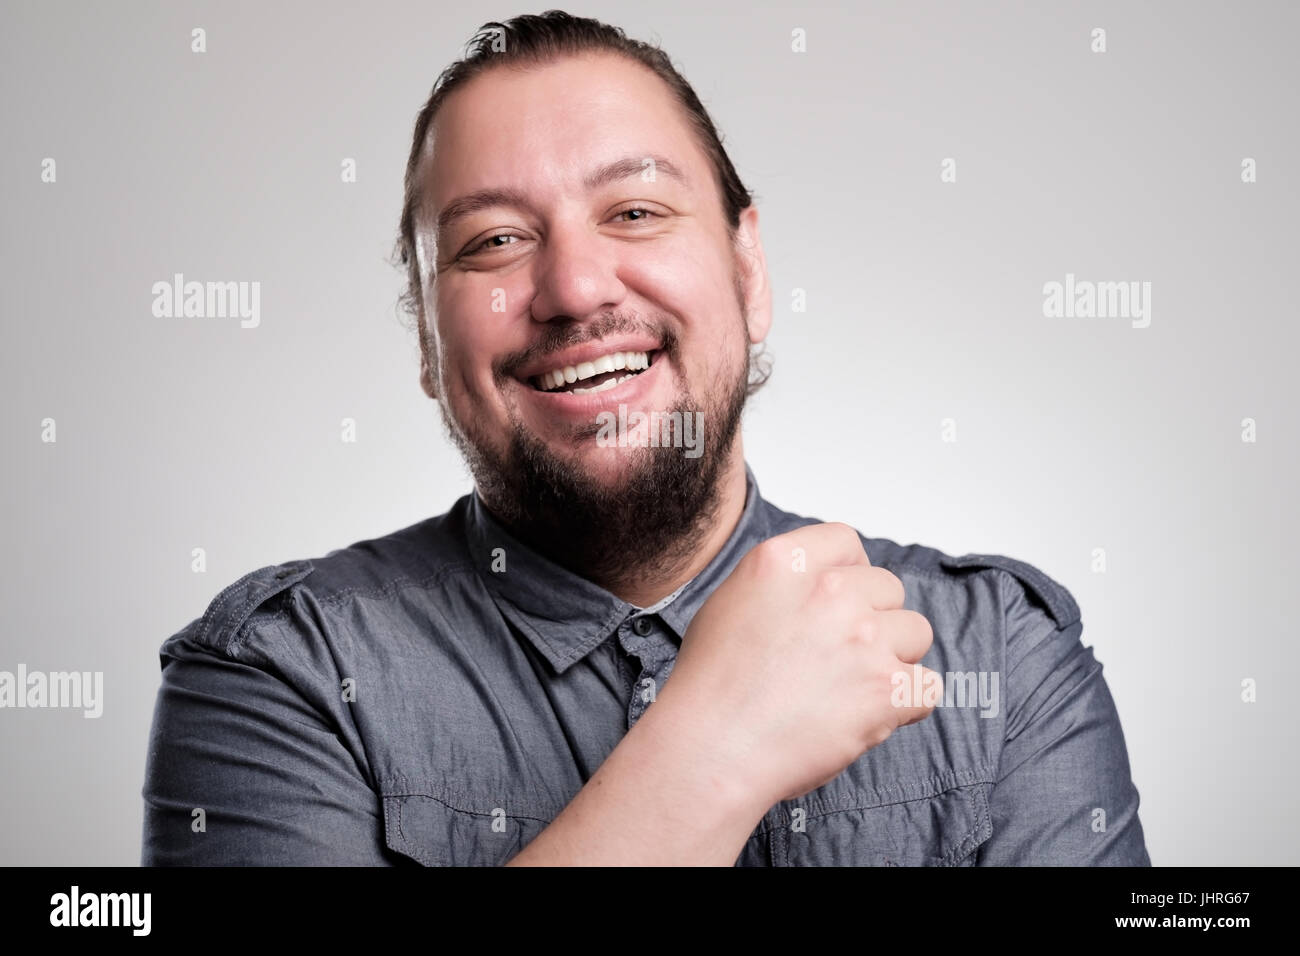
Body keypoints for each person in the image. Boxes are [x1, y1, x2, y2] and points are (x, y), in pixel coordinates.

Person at [141, 10, 1150, 866]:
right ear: (424, 334)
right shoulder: (281, 675)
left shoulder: (1002, 658)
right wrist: (713, 748)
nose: (575, 287)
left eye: (633, 210)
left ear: (749, 275)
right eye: (493, 239)